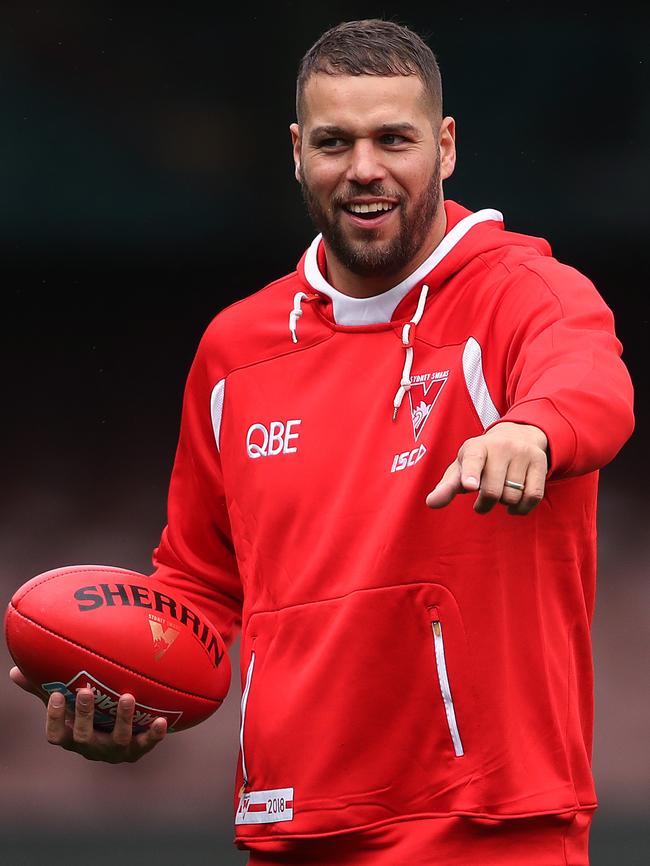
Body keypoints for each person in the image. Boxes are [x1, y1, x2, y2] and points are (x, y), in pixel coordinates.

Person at [11, 18, 634, 866]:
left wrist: (533, 428)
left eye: (394, 139)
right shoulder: (236, 349)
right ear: (299, 151)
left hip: (487, 825)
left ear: (445, 148)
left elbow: (594, 386)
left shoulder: (524, 294)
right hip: (293, 826)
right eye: (336, 142)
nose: (364, 168)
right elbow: (198, 582)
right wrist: (127, 687)